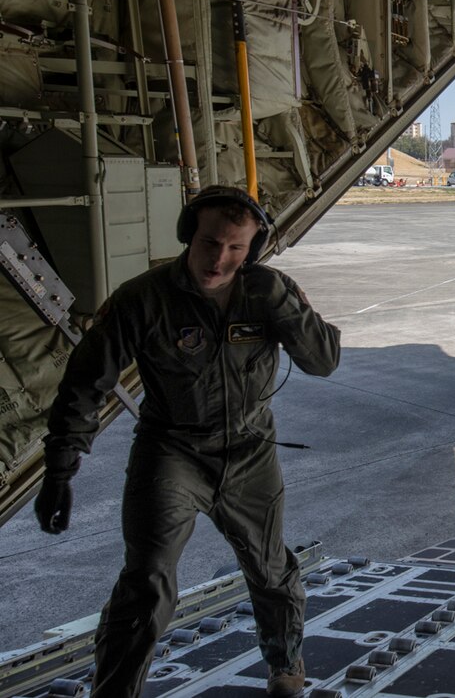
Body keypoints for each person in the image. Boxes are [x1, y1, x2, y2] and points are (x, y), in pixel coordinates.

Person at [34, 185, 341, 698]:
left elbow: (323, 361)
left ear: (252, 250)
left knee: (271, 572)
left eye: (236, 248)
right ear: (189, 237)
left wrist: (283, 302)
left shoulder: (267, 293)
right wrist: (60, 470)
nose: (219, 259)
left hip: (249, 454)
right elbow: (86, 383)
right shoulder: (144, 298)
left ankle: (285, 668)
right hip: (171, 451)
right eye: (209, 243)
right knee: (147, 581)